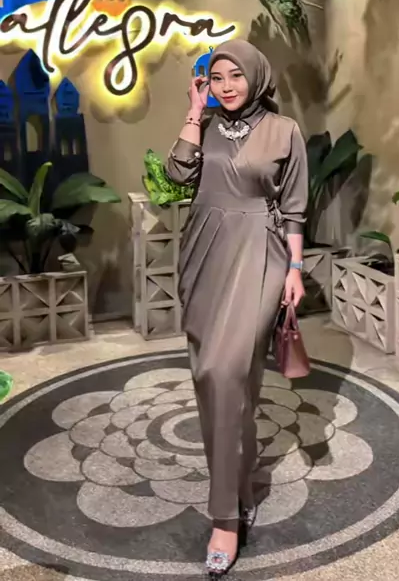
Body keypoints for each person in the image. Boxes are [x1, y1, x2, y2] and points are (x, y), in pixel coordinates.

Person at [166, 38, 308, 578]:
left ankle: (224, 517)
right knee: (221, 377)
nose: (227, 86)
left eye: (236, 76)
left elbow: (294, 208)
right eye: (217, 77)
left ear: (257, 77)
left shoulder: (284, 130)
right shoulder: (203, 125)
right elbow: (177, 177)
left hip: (259, 254)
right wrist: (192, 112)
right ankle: (241, 484)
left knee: (223, 372)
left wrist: (295, 269)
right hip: (203, 253)